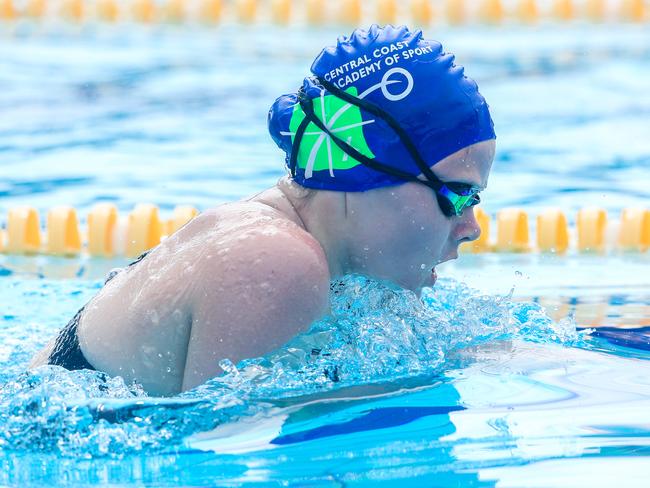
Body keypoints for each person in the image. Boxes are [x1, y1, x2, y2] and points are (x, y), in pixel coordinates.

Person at [29, 25, 496, 397]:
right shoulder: (273, 259)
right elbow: (222, 446)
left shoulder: (283, 242)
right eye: (457, 194)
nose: (470, 227)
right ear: (368, 173)